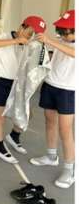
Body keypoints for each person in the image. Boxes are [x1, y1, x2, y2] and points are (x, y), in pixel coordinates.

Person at [0, 16, 46, 164]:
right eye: (29, 33)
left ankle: (13, 136)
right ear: (22, 27)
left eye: (33, 35)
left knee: (25, 114)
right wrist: (15, 41)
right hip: (1, 82)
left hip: (19, 83)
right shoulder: (5, 36)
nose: (30, 37)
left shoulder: (31, 43)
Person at [30, 10, 75, 189]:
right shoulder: (62, 41)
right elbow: (58, 56)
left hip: (68, 90)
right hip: (51, 84)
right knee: (50, 122)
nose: (63, 35)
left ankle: (70, 170)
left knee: (66, 131)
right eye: (61, 31)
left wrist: (50, 41)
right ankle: (51, 156)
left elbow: (73, 53)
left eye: (67, 32)